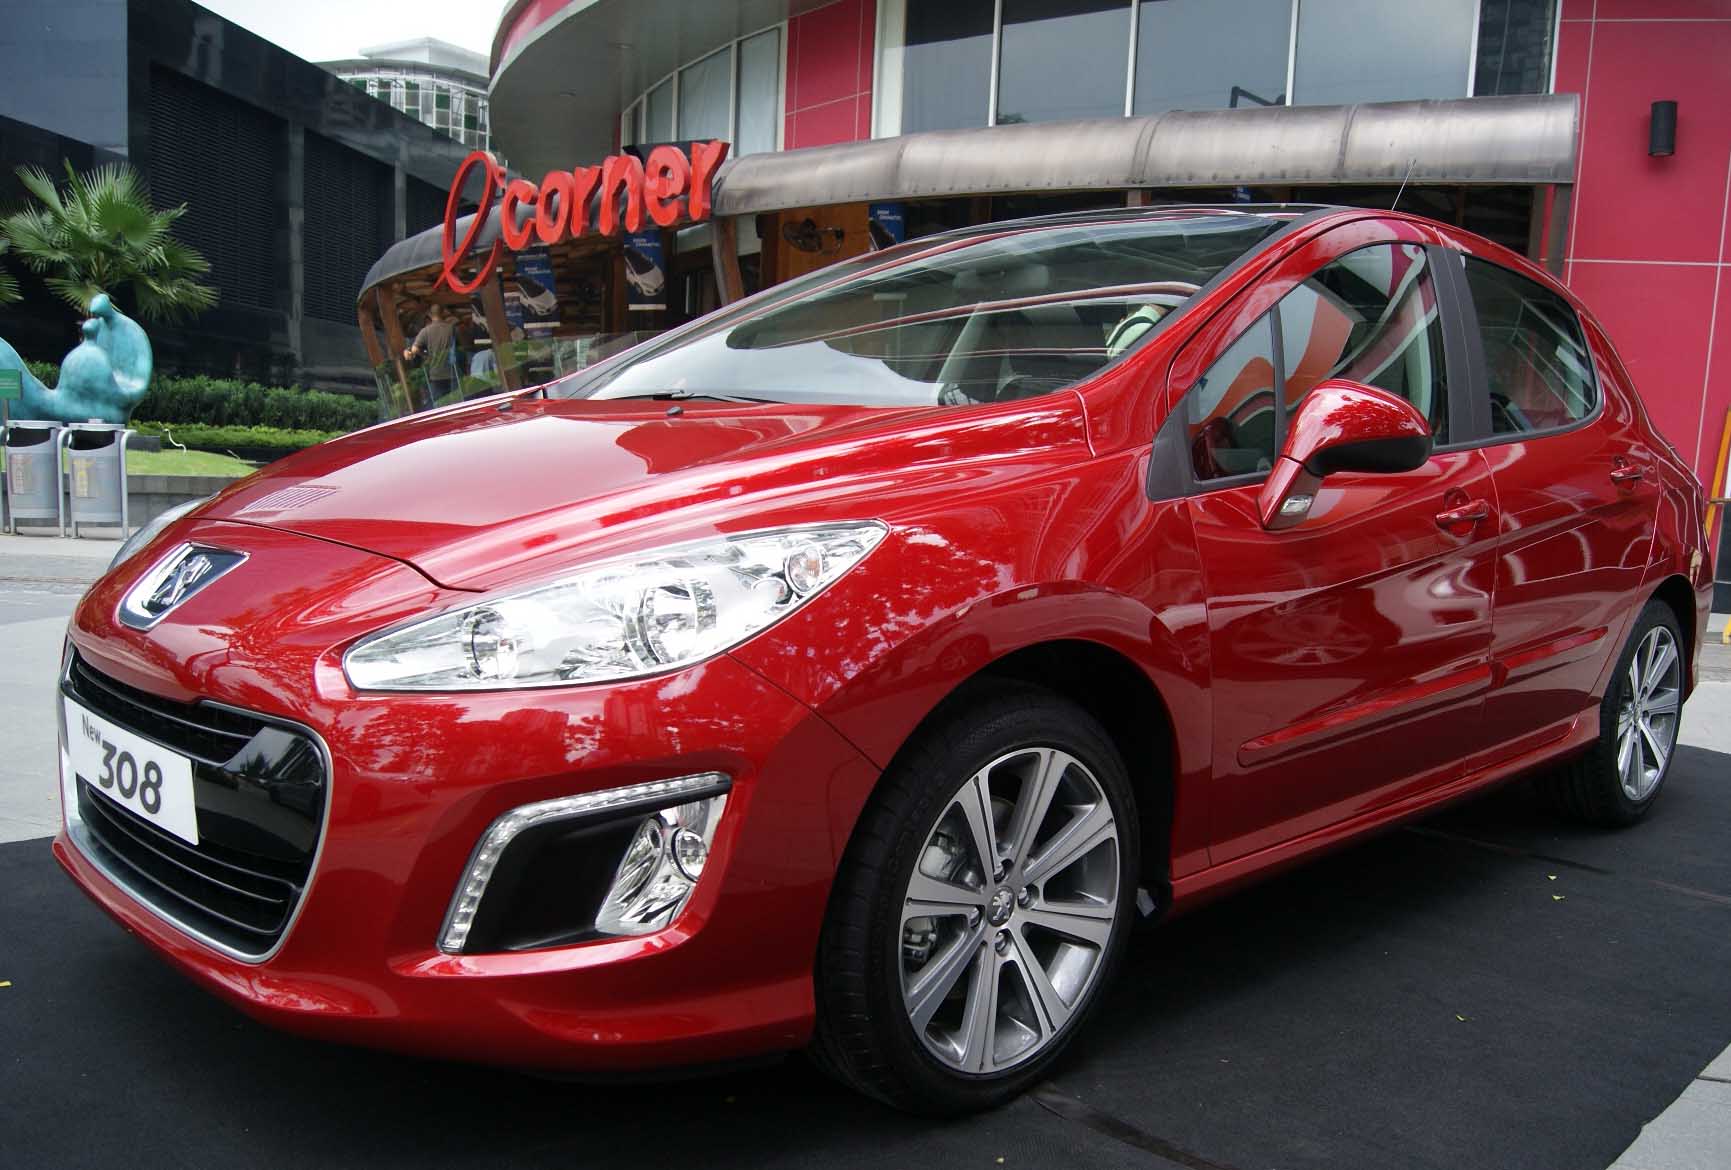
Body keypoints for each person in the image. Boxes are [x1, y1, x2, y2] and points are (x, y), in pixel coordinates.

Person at [404, 303, 459, 408]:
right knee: (456, 405)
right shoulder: (451, 328)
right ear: (443, 313)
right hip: (452, 371)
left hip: (435, 374)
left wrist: (425, 356)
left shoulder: (425, 331)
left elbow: (414, 349)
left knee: (439, 406)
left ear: (430, 314)